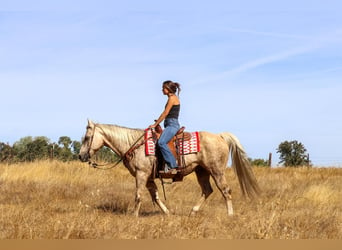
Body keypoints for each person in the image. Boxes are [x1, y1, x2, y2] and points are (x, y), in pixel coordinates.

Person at [149, 80, 181, 173]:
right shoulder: (171, 98)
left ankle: (172, 165)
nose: (162, 90)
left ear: (168, 89)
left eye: (163, 88)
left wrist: (155, 124)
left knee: (161, 142)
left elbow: (165, 113)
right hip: (169, 124)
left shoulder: (172, 98)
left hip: (172, 124)